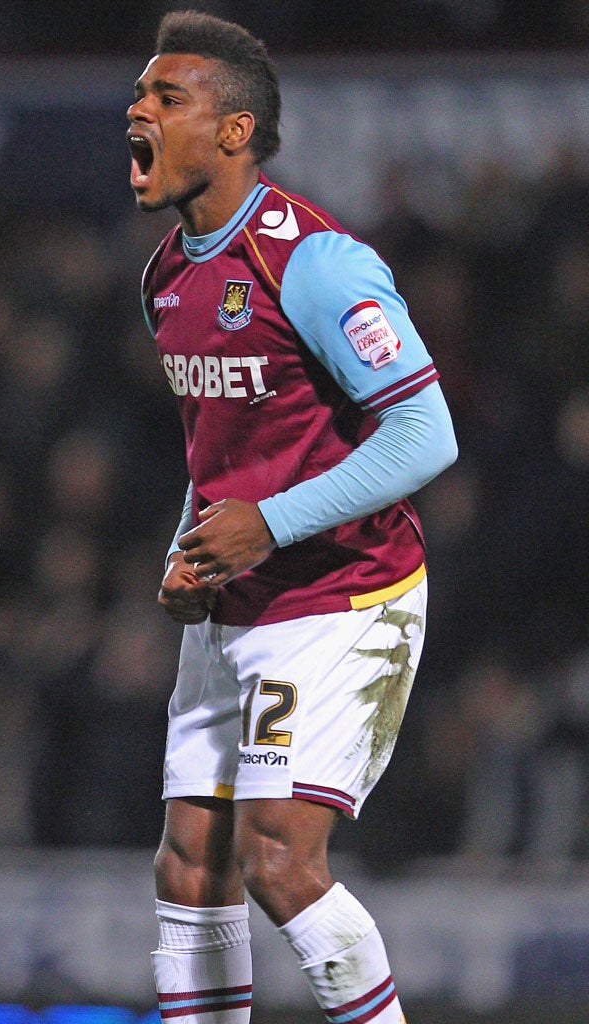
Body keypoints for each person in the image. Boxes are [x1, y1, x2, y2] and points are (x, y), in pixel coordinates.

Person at [126, 10, 458, 1023]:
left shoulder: (312, 261)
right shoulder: (167, 277)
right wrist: (194, 550)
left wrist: (264, 525)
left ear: (232, 132)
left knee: (277, 855)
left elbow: (425, 435)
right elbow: (217, 455)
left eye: (166, 98)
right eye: (140, 94)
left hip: (345, 593)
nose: (136, 110)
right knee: (190, 865)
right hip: (241, 597)